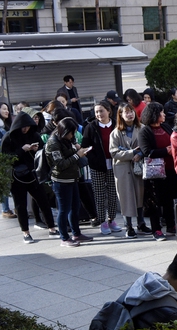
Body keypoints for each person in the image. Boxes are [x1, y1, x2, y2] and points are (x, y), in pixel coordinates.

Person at [1, 112, 60, 243]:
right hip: (16, 177)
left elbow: (43, 152)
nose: (26, 129)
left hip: (33, 174)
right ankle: (25, 232)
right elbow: (5, 158)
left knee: (43, 200)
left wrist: (36, 150)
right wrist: (22, 150)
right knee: (20, 205)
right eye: (24, 126)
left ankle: (51, 228)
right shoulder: (9, 137)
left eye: (28, 126)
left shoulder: (34, 135)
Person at [45, 117, 94, 247]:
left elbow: (69, 154)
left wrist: (77, 149)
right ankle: (64, 238)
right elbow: (60, 164)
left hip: (73, 178)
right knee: (63, 210)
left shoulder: (66, 139)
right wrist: (78, 154)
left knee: (75, 207)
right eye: (71, 133)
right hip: (61, 181)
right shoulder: (53, 143)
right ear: (64, 131)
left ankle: (76, 234)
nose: (72, 135)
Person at [139, 102, 177, 241]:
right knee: (154, 202)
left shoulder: (165, 126)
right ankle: (156, 229)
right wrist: (165, 151)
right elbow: (146, 152)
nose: (163, 114)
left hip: (170, 169)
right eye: (161, 112)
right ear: (154, 115)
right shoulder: (145, 131)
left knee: (169, 199)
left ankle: (171, 225)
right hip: (155, 173)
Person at [109, 103, 149, 239]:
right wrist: (132, 153)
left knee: (140, 195)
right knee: (126, 197)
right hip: (123, 168)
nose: (130, 114)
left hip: (139, 167)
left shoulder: (142, 128)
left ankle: (141, 224)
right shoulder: (115, 133)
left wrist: (141, 154)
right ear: (120, 115)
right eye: (126, 112)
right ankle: (128, 226)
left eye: (131, 111)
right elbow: (114, 153)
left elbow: (147, 146)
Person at [83, 101, 121, 235]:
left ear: (109, 111)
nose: (98, 114)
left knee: (112, 193)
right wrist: (92, 157)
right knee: (99, 195)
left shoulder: (116, 124)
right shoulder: (91, 127)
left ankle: (112, 219)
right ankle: (102, 221)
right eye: (96, 111)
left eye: (101, 111)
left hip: (114, 163)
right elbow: (85, 145)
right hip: (97, 165)